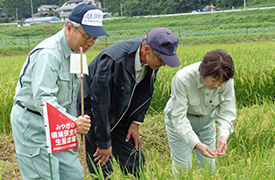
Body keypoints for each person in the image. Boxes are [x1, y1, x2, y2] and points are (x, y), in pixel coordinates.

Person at [10, 4, 108, 180]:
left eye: (95, 38)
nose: (91, 43)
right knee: (43, 176)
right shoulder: (49, 54)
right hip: (33, 122)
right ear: (69, 28)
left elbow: (71, 95)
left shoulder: (78, 53)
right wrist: (72, 124)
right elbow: (44, 100)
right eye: (87, 36)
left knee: (73, 174)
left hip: (60, 123)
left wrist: (71, 129)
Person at [78, 27, 181, 178]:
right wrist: (104, 143)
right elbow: (99, 103)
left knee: (134, 161)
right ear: (146, 50)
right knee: (101, 165)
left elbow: (145, 92)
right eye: (162, 60)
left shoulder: (152, 61)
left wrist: (135, 122)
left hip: (122, 111)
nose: (164, 64)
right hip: (94, 115)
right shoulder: (113, 61)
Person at [164, 49, 236, 176]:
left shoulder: (226, 80)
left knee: (209, 167)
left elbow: (227, 111)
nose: (217, 85)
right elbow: (179, 118)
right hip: (180, 121)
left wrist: (223, 135)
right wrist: (196, 144)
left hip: (206, 122)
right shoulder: (183, 78)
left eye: (221, 82)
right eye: (214, 80)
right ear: (203, 72)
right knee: (183, 167)